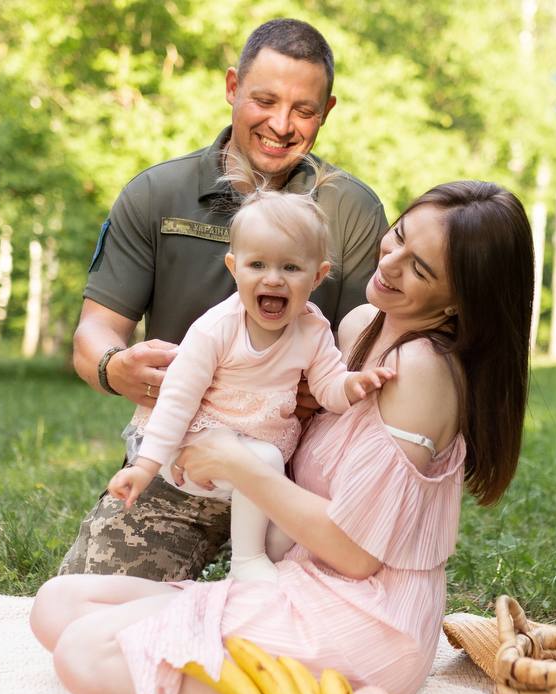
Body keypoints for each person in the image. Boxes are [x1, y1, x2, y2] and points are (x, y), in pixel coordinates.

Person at [32, 180, 534, 694]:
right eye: (395, 237)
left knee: (85, 656)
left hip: (365, 614)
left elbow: (357, 554)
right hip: (296, 578)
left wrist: (240, 465)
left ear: (458, 300)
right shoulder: (359, 326)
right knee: (58, 605)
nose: (390, 263)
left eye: (418, 268)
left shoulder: (422, 370)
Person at [62, 18, 389, 581]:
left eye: (304, 111)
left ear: (327, 111)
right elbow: (94, 333)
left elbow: (369, 345)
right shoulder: (156, 193)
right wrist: (117, 367)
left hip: (297, 474)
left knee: (329, 621)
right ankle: (207, 613)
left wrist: (332, 387)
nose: (282, 125)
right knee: (83, 606)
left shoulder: (352, 211)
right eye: (264, 100)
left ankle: (246, 597)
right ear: (233, 87)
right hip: (181, 465)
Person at [108, 169, 395, 583]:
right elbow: (177, 399)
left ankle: (265, 571)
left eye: (291, 267)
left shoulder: (312, 329)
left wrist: (352, 385)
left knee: (283, 529)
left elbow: (328, 386)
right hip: (194, 445)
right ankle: (246, 561)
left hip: (256, 456)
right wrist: (146, 466)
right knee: (262, 460)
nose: (273, 278)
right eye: (257, 264)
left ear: (317, 276)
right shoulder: (216, 328)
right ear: (235, 267)